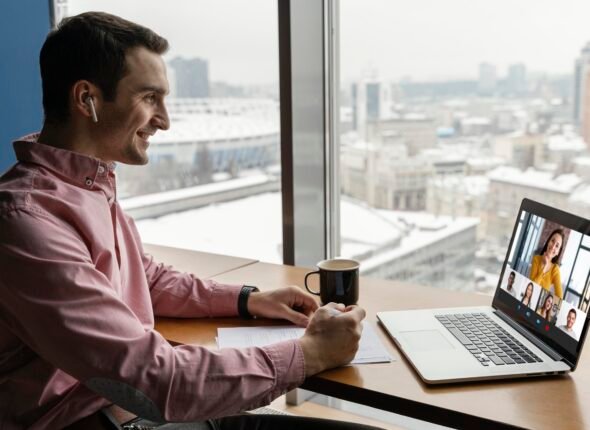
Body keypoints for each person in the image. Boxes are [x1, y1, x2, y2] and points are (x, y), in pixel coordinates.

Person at [0, 12, 383, 430]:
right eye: (149, 98)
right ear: (86, 98)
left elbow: (145, 277)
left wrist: (248, 299)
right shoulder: (26, 222)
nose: (164, 119)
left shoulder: (86, 187)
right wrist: (311, 353)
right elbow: (160, 381)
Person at [529, 229, 564, 299]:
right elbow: (531, 286)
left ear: (558, 252)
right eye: (552, 241)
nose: (553, 246)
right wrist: (544, 267)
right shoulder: (536, 259)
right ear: (548, 241)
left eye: (557, 246)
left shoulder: (555, 269)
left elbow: (560, 297)